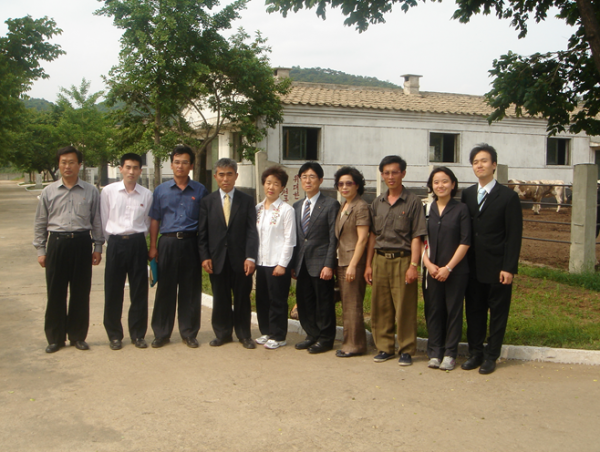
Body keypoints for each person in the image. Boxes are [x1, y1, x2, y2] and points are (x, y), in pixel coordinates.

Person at [33, 146, 104, 353]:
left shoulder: (90, 191)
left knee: (80, 292)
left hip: (82, 243)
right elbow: (40, 222)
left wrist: (98, 246)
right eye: (63, 162)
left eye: (72, 162)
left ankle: (77, 336)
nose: (67, 166)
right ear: (58, 165)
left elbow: (96, 221)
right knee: (55, 292)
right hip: (57, 243)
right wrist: (41, 250)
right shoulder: (48, 192)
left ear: (79, 165)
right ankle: (55, 338)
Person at [460, 144, 522, 374]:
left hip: (498, 267)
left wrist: (509, 267)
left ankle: (491, 355)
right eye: (475, 162)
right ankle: (475, 353)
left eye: (484, 161)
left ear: (494, 165)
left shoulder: (508, 197)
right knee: (474, 311)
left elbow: (514, 236)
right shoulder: (467, 194)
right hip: (472, 266)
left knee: (498, 313)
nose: (480, 165)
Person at [364, 155, 427, 366]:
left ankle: (406, 349)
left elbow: (417, 236)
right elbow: (373, 236)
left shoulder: (413, 202)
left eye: (395, 172)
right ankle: (385, 347)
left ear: (403, 174)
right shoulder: (377, 202)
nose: (390, 176)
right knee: (381, 306)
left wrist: (413, 265)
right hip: (380, 260)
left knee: (405, 307)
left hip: (403, 260)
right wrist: (368, 265)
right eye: (386, 173)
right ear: (382, 175)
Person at [148, 145, 208, 349]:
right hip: (167, 243)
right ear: (171, 164)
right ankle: (161, 333)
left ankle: (189, 333)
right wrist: (153, 246)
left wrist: (204, 252)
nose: (180, 166)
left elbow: (205, 223)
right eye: (176, 162)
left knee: (190, 290)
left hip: (191, 243)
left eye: (184, 162)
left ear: (191, 166)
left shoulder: (200, 190)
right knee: (165, 289)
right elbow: (155, 219)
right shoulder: (161, 190)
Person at [198, 158, 259, 350]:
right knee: (220, 298)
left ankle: (244, 335)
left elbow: (251, 231)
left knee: (242, 298)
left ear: (236, 176)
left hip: (241, 260)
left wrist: (250, 257)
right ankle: (222, 334)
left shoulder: (246, 200)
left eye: (229, 174)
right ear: (216, 176)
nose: (225, 179)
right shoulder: (207, 202)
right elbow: (202, 233)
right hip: (217, 259)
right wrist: (205, 257)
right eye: (222, 175)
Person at [100, 153, 152, 350]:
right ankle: (114, 335)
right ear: (121, 168)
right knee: (113, 290)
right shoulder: (108, 191)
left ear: (140, 170)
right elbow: (104, 219)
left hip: (137, 243)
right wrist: (112, 242)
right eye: (128, 167)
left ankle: (138, 334)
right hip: (115, 243)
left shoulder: (146, 195)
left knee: (139, 291)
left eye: (135, 168)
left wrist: (137, 239)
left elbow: (147, 222)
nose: (131, 171)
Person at [422, 167, 471, 371]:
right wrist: (428, 264)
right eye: (436, 182)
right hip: (431, 271)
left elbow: (465, 242)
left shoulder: (461, 209)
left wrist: (448, 268)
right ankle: (435, 352)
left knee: (453, 311)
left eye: (444, 181)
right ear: (431, 185)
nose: (440, 185)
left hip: (455, 272)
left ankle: (450, 353)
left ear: (453, 184)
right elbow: (419, 240)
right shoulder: (426, 209)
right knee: (433, 310)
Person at [292, 162, 340, 354]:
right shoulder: (297, 206)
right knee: (305, 302)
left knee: (324, 303)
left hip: (321, 264)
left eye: (312, 177)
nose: (308, 180)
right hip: (301, 263)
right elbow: (296, 238)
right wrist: (293, 264)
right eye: (304, 177)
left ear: (320, 180)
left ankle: (326, 339)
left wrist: (329, 264)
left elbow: (333, 237)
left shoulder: (330, 204)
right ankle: (312, 335)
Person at [254, 166, 296, 349]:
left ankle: (278, 336)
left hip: (277, 264)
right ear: (263, 184)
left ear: (282, 188)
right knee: (262, 298)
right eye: (268, 183)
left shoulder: (286, 210)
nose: (271, 187)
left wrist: (282, 264)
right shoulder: (257, 209)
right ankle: (266, 332)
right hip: (261, 262)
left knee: (277, 300)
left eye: (276, 184)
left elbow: (290, 239)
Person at [333, 167, 370, 358]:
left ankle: (354, 345)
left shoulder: (360, 206)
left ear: (357, 185)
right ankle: (350, 342)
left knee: (353, 305)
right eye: (341, 184)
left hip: (352, 262)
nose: (344, 187)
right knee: (347, 304)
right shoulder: (344, 205)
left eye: (349, 183)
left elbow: (362, 239)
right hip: (341, 260)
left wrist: (354, 265)